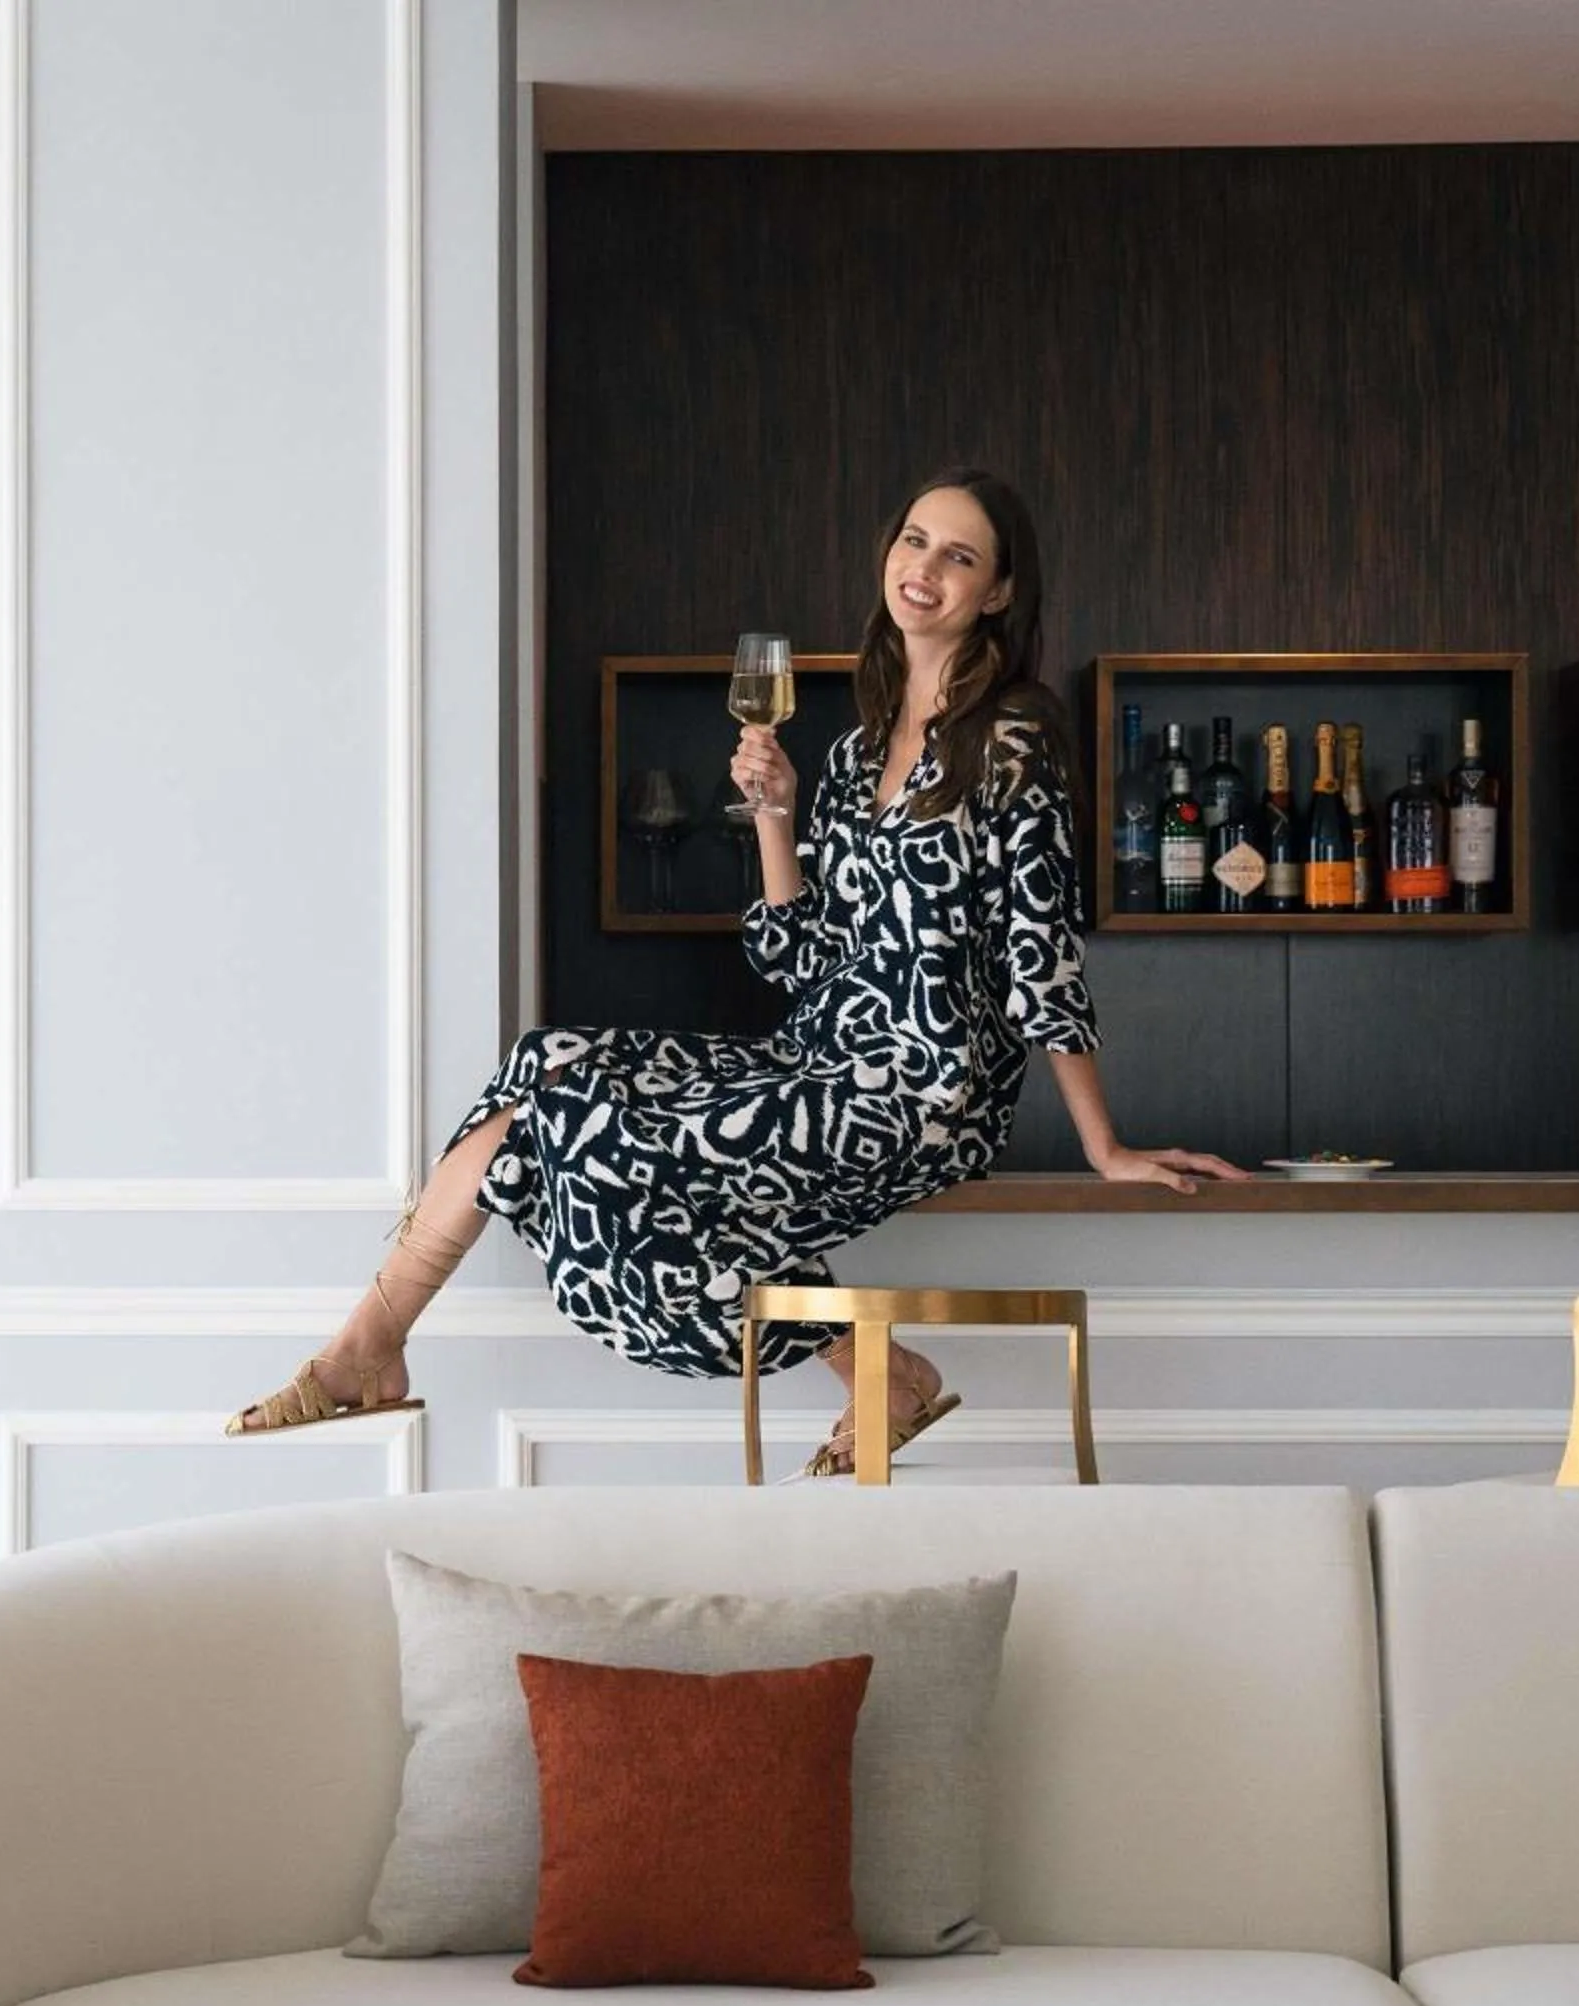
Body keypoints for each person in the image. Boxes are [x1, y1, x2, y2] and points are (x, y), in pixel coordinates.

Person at [230, 467, 1246, 1472]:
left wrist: (1102, 1143)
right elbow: (796, 959)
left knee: (587, 1129)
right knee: (546, 1064)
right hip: (819, 1058)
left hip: (928, 1089)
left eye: (960, 554)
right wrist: (775, 820)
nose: (925, 568)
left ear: (1000, 592)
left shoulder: (1013, 740)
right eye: (914, 541)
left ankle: (869, 1374)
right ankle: (373, 1341)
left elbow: (1039, 947)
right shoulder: (850, 757)